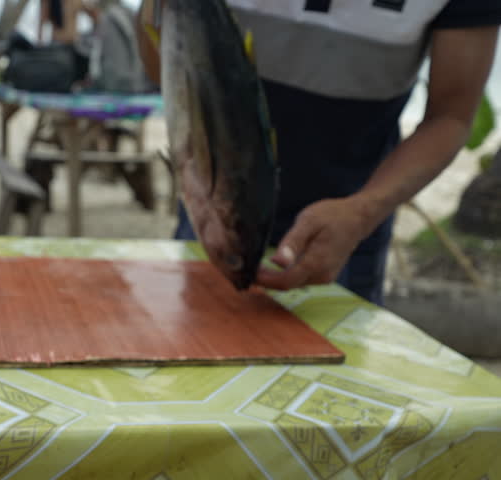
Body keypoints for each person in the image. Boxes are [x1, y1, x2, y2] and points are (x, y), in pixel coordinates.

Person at [137, 0, 500, 305]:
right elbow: (160, 68)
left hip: (348, 235)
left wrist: (362, 212)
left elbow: (450, 116)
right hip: (216, 223)